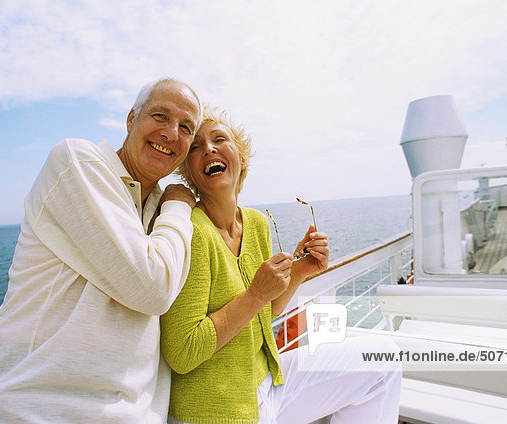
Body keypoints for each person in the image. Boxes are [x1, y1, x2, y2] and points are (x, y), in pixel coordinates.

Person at [0, 78, 202, 423]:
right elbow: (154, 288)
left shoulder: (157, 211)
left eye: (185, 127)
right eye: (160, 116)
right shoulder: (79, 163)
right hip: (31, 411)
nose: (170, 133)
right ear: (131, 119)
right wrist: (179, 206)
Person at [160, 106, 402, 423]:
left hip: (268, 384)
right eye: (195, 147)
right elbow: (182, 352)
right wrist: (256, 295)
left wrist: (300, 272)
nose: (209, 149)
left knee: (382, 362)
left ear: (241, 159)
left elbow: (263, 313)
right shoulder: (192, 233)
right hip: (218, 410)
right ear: (189, 173)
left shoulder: (257, 223)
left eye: (220, 139)